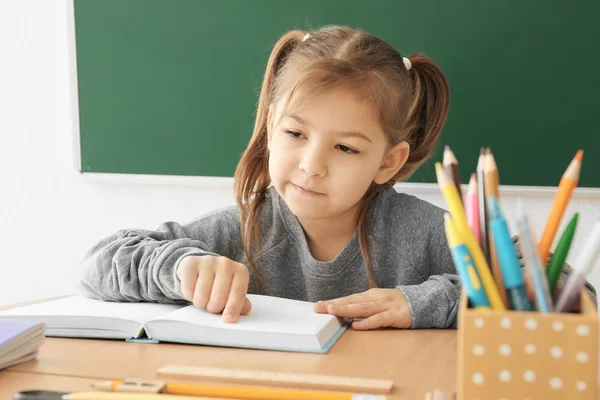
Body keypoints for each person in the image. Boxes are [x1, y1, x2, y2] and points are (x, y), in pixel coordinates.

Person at [78, 25, 461, 330]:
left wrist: (419, 303)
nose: (311, 165)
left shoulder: (421, 232)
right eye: (295, 134)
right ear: (270, 126)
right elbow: (97, 265)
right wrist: (179, 268)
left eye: (345, 148)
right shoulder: (244, 229)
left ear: (388, 162)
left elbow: (520, 281)